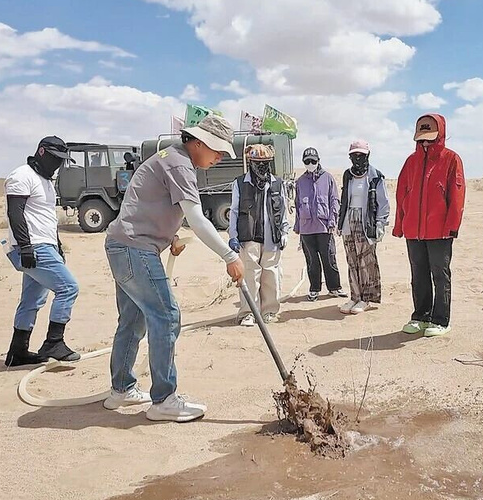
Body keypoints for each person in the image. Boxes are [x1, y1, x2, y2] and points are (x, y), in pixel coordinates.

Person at [103, 114, 244, 422]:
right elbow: (196, 217)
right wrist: (229, 256)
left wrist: (171, 235)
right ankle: (164, 399)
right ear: (196, 142)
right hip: (136, 248)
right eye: (216, 150)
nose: (219, 157)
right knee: (166, 315)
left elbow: (148, 205)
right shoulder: (179, 164)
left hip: (122, 245)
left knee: (134, 317)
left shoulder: (168, 158)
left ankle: (122, 389)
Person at [3, 136, 81, 367]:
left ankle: (17, 352)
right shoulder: (21, 176)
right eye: (56, 159)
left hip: (44, 245)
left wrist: (57, 245)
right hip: (32, 246)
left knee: (31, 300)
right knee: (68, 288)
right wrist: (25, 246)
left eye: (62, 160)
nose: (58, 164)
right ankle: (54, 342)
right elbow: (15, 213)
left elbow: (45, 218)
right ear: (42, 152)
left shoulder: (46, 181)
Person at [393, 114, 465, 337]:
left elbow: (457, 195)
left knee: (440, 275)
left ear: (440, 136)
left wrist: (451, 227)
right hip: (413, 230)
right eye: (422, 139)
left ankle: (441, 320)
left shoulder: (451, 159)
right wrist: (399, 225)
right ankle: (420, 316)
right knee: (418, 274)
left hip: (440, 232)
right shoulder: (410, 162)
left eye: (430, 139)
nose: (425, 143)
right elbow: (401, 194)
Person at [228, 144, 290, 326]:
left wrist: (284, 231)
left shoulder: (277, 183)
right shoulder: (240, 183)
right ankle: (248, 313)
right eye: (257, 163)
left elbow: (284, 209)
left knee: (271, 275)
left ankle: (270, 311)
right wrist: (233, 235)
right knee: (249, 275)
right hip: (248, 238)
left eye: (265, 163)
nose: (261, 166)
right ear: (250, 163)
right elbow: (233, 211)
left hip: (272, 237)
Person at [336, 140, 390, 315]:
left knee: (366, 261)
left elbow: (383, 204)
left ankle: (366, 298)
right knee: (352, 260)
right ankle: (354, 296)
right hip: (349, 221)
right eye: (354, 155)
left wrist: (380, 224)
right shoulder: (348, 175)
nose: (357, 159)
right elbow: (345, 199)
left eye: (361, 155)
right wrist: (340, 221)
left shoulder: (376, 177)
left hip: (366, 221)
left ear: (367, 155)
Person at [293, 147, 347, 301]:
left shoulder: (328, 178)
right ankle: (314, 288)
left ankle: (334, 288)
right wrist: (297, 226)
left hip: (324, 226)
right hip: (306, 228)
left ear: (318, 161)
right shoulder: (300, 181)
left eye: (313, 161)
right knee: (311, 260)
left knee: (329, 257)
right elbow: (297, 205)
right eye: (307, 161)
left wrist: (332, 221)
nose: (310, 163)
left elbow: (334, 201)